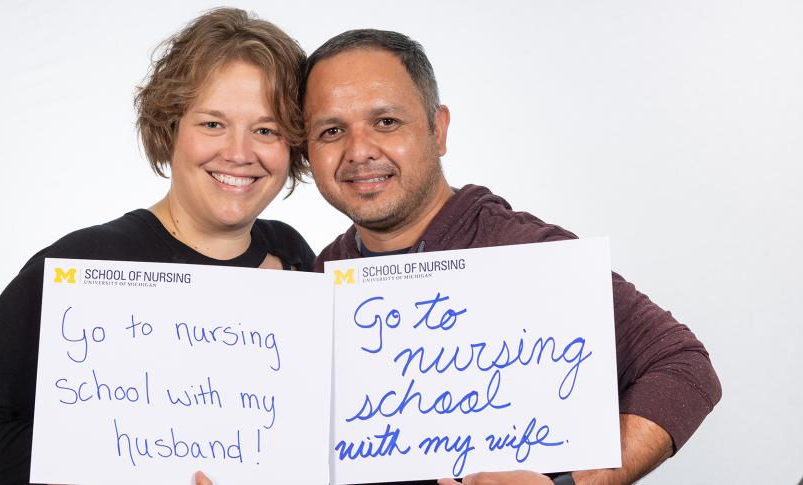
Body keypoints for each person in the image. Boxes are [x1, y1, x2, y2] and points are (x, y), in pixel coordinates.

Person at [301, 29, 722, 485]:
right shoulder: (319, 279)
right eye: (332, 130)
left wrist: (576, 484)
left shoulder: (530, 255)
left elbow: (684, 366)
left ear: (437, 130)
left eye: (386, 121)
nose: (359, 150)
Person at [0, 8, 313, 484]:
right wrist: (133, 468)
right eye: (212, 124)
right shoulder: (80, 265)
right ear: (170, 128)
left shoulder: (295, 255)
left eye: (266, 130)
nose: (240, 153)